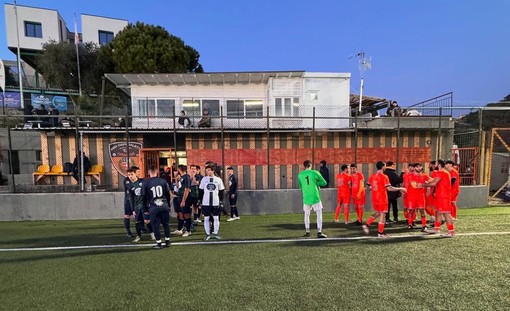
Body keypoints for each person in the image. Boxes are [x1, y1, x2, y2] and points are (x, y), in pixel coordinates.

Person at [363, 161, 406, 237]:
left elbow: (369, 188)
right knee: (382, 214)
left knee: (377, 213)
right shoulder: (384, 176)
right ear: (383, 167)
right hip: (382, 198)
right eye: (385, 166)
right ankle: (380, 232)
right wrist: (401, 188)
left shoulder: (372, 176)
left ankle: (366, 225)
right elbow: (389, 188)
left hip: (374, 198)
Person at [421, 160, 455, 237]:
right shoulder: (442, 172)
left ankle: (451, 232)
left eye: (435, 164)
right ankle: (436, 229)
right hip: (440, 196)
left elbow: (433, 183)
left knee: (446, 213)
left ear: (439, 165)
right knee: (438, 212)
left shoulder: (442, 172)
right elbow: (433, 181)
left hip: (444, 196)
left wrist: (421, 185)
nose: (433, 165)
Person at [142, 166, 171, 249]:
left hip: (153, 207)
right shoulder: (163, 180)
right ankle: (167, 241)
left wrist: (145, 209)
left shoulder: (146, 182)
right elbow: (168, 194)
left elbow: (143, 197)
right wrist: (168, 204)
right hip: (164, 205)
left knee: (155, 225)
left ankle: (159, 243)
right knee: (166, 224)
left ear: (149, 172)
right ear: (157, 172)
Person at [298, 160, 327, 238]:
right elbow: (324, 182)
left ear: (304, 166)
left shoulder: (300, 175)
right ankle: (319, 232)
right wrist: (317, 183)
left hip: (306, 197)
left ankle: (307, 231)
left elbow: (300, 186)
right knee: (319, 213)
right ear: (310, 165)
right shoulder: (315, 172)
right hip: (315, 196)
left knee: (306, 214)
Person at [127, 167, 155, 243]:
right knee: (138, 222)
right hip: (137, 206)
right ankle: (138, 236)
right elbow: (131, 198)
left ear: (136, 174)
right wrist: (132, 209)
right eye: (129, 175)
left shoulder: (143, 182)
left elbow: (148, 194)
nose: (130, 176)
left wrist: (149, 205)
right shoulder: (130, 186)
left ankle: (152, 234)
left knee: (147, 220)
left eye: (131, 174)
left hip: (145, 206)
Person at [198, 164, 226, 240]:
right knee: (206, 218)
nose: (207, 172)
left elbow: (221, 191)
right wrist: (199, 200)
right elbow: (200, 191)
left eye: (209, 170)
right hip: (206, 202)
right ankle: (207, 234)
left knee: (216, 218)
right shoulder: (204, 179)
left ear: (213, 170)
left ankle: (215, 233)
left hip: (215, 202)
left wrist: (221, 201)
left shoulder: (218, 179)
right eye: (206, 170)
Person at [409, 163, 434, 232]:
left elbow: (433, 181)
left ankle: (424, 226)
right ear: (414, 168)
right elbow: (415, 186)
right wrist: (425, 184)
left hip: (421, 196)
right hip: (412, 196)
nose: (419, 168)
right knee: (411, 211)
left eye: (420, 166)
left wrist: (426, 183)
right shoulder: (410, 176)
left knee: (422, 210)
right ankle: (410, 224)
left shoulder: (424, 175)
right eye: (417, 167)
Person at [176, 164, 193, 237]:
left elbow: (187, 189)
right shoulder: (181, 177)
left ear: (180, 170)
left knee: (186, 214)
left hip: (185, 199)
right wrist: (176, 179)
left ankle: (188, 230)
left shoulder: (187, 177)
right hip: (179, 198)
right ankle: (180, 229)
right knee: (180, 214)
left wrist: (183, 201)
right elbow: (178, 186)